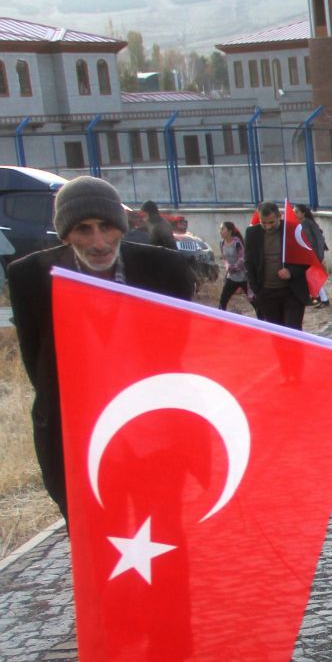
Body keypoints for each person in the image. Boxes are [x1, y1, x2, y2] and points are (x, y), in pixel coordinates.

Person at [9, 176, 193, 519]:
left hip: (154, 441)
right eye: (84, 229)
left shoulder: (165, 270)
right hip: (82, 448)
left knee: (165, 539)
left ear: (121, 226)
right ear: (65, 234)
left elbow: (179, 355)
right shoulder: (30, 277)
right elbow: (40, 368)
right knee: (97, 543)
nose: (99, 242)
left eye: (106, 227)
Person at [244, 200, 312, 330]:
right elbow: (248, 262)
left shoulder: (292, 230)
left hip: (291, 292)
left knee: (292, 332)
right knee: (276, 333)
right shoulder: (252, 233)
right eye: (263, 223)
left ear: (279, 216)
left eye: (271, 222)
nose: (268, 226)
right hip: (266, 293)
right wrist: (257, 290)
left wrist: (291, 272)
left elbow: (307, 257)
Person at [297, 204, 331, 307]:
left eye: (297, 212)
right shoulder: (296, 225)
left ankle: (324, 299)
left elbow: (319, 239)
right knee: (307, 277)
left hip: (312, 255)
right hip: (303, 255)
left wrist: (319, 255)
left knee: (313, 277)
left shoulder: (309, 224)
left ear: (303, 213)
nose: (295, 214)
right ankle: (316, 297)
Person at [217, 221, 249, 311]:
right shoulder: (222, 243)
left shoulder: (236, 243)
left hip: (243, 277)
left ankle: (262, 318)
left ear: (229, 231)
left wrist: (234, 267)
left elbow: (242, 258)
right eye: (220, 229)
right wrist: (227, 266)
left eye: (222, 229)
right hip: (231, 277)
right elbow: (225, 259)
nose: (220, 231)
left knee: (253, 301)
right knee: (223, 301)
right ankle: (221, 317)